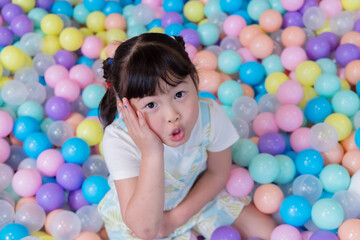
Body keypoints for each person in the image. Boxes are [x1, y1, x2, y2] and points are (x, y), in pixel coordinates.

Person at [97, 33, 276, 240]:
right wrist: (151, 153)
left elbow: (217, 173)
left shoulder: (208, 115)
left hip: (195, 198)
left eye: (179, 95)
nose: (173, 115)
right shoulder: (120, 140)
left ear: (195, 81)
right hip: (139, 220)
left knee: (268, 230)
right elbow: (145, 230)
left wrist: (174, 219)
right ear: (125, 107)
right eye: (151, 105)